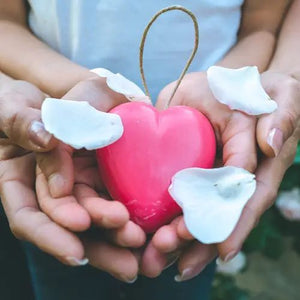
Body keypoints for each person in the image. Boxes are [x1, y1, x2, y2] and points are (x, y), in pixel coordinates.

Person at [0, 0, 296, 299]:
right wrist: (64, 92)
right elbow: (5, 22)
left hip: (215, 152)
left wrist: (277, 80)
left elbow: (260, 28)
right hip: (50, 152)